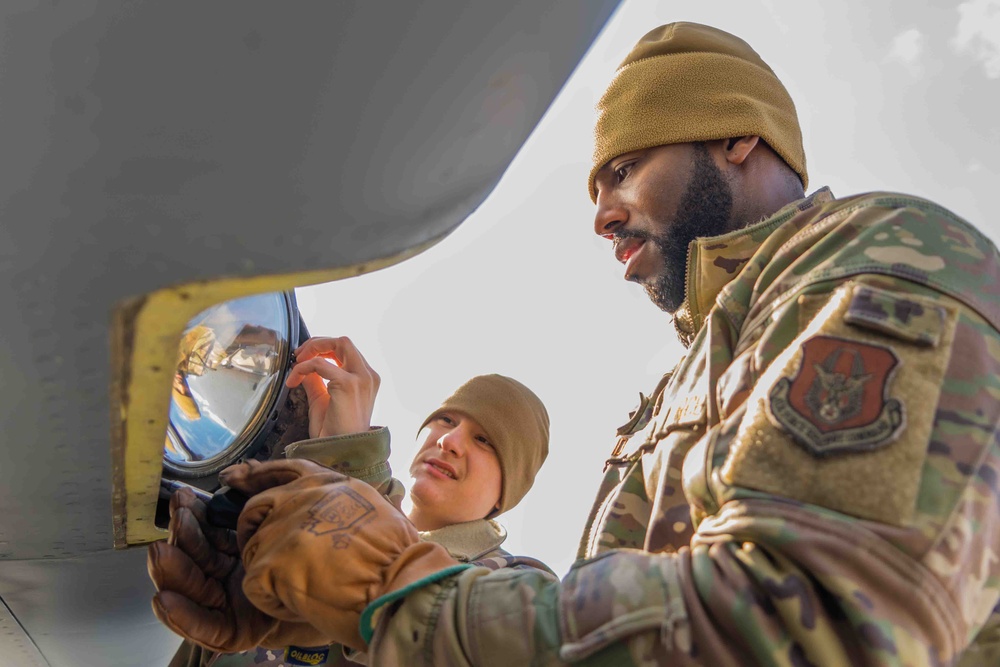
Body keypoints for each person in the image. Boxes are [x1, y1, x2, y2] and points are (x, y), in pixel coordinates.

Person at [151, 23, 1000, 666]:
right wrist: (317, 621)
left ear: (736, 137)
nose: (601, 214)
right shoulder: (690, 376)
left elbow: (806, 627)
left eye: (624, 170)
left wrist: (386, 590)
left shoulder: (884, 259)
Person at [159, 336, 552, 666]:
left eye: (484, 441)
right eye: (446, 420)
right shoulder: (294, 515)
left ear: (508, 489)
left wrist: (351, 467)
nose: (448, 441)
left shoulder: (516, 580)